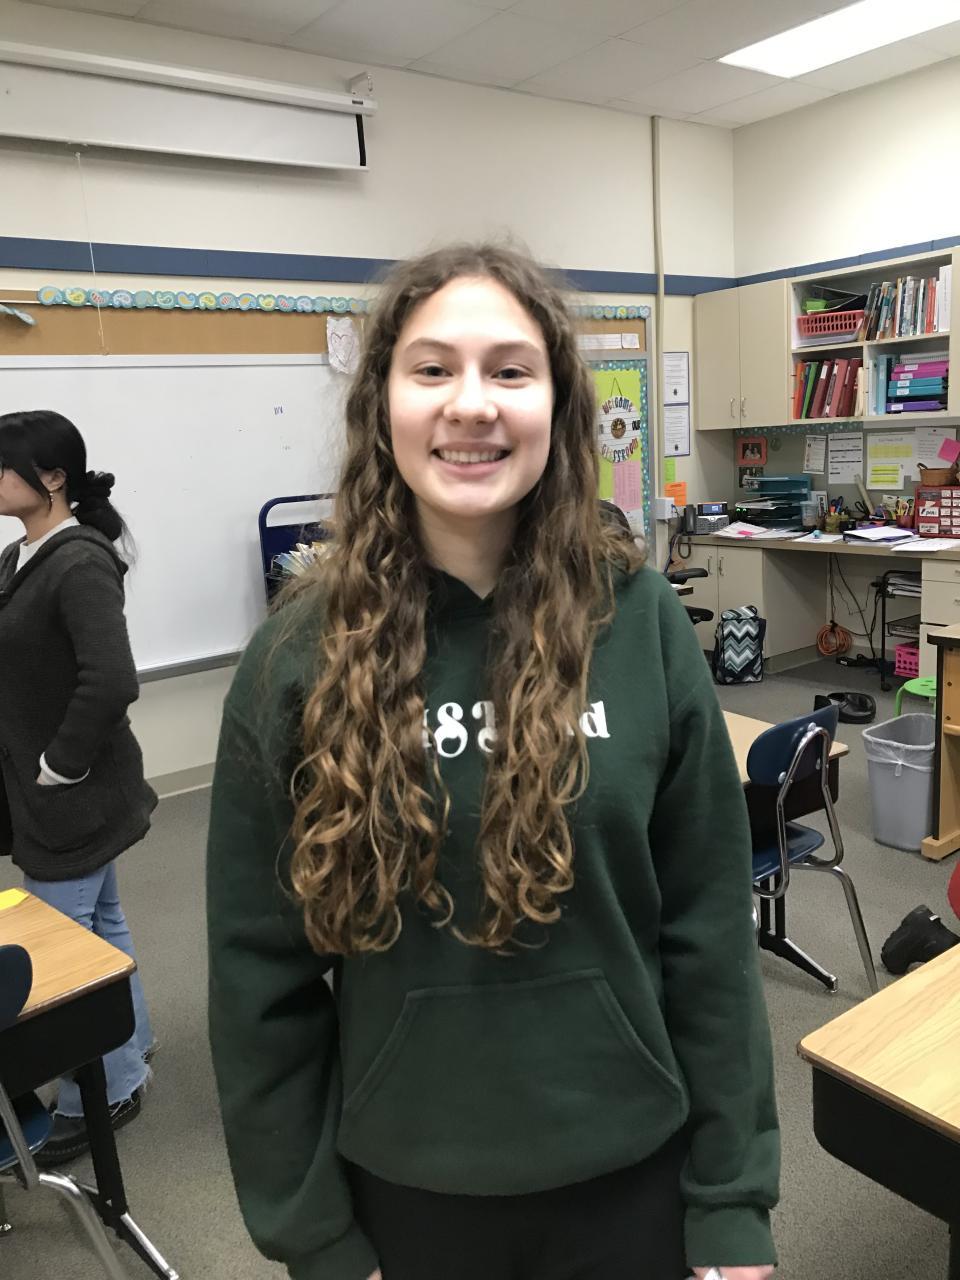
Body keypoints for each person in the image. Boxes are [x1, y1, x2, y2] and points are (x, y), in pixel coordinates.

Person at [207, 243, 779, 1280]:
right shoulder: (297, 655)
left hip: (634, 1169)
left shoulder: (640, 621)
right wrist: (314, 1236)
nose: (471, 403)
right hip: (405, 1187)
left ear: (556, 406)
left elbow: (709, 930)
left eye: (510, 370)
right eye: (432, 368)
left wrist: (732, 1199)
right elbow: (259, 978)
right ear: (382, 403)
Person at [0, 409, 157, 1164]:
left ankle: (108, 1089)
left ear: (53, 478)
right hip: (50, 794)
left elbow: (111, 680)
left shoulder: (79, 563)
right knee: (102, 925)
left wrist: (57, 765)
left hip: (71, 793)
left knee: (64, 950)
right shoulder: (20, 555)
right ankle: (135, 1044)